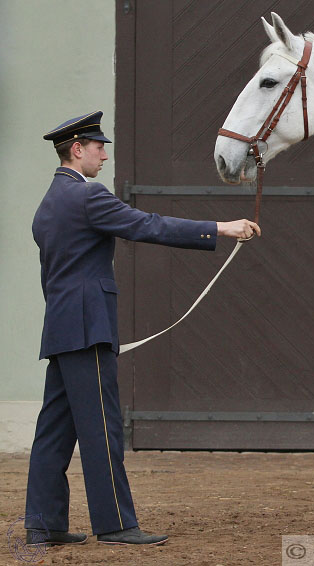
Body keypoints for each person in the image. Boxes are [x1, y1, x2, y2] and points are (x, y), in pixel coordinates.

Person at [25, 111, 260, 546]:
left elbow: (51, 276)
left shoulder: (47, 204)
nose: (105, 156)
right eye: (99, 147)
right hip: (87, 329)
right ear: (77, 149)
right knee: (101, 428)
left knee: (53, 433)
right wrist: (220, 227)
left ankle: (44, 525)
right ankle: (115, 524)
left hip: (61, 329)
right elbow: (147, 225)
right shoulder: (88, 196)